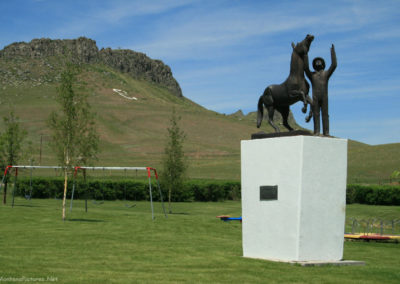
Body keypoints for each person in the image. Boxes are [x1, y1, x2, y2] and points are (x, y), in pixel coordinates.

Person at [304, 44, 337, 136]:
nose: (318, 62)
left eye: (319, 61)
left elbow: (334, 65)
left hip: (324, 97)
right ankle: (317, 131)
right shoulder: (312, 75)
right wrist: (306, 54)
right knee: (316, 114)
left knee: (325, 115)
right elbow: (306, 68)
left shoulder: (326, 74)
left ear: (322, 64)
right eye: (316, 61)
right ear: (314, 65)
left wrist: (332, 53)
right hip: (315, 97)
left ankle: (326, 133)